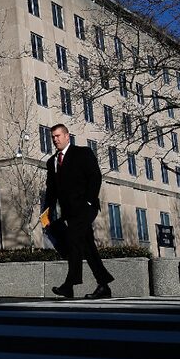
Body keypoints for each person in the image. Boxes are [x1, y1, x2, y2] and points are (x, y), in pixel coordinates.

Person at [43, 123, 114, 299]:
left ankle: (69, 284)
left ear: (67, 136)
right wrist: (47, 212)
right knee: (87, 246)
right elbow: (51, 189)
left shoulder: (83, 153)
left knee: (74, 236)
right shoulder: (51, 162)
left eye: (58, 135)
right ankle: (103, 285)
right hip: (68, 212)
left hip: (85, 208)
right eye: (53, 137)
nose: (55, 139)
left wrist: (90, 201)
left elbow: (95, 176)